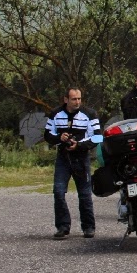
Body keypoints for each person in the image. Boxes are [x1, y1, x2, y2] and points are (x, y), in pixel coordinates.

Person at [44, 88, 101, 239]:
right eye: (74, 99)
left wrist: (79, 145)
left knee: (85, 193)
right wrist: (59, 138)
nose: (77, 102)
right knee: (58, 191)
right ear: (66, 100)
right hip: (63, 158)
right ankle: (63, 227)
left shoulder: (90, 114)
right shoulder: (55, 114)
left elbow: (98, 137)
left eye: (79, 99)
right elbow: (47, 135)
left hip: (81, 158)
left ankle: (88, 227)